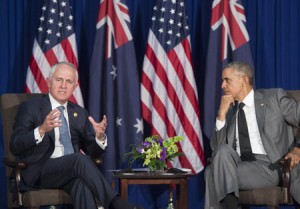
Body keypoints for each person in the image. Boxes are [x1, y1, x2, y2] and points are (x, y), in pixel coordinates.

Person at [10, 62, 143, 209]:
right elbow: (15, 145)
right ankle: (115, 203)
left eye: (69, 81)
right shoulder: (31, 107)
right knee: (79, 159)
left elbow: (92, 151)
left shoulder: (79, 112)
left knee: (82, 186)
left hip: (70, 172)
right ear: (48, 82)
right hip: (40, 171)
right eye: (59, 79)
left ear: (74, 87)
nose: (63, 85)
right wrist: (41, 130)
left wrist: (99, 137)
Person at [204, 61, 300, 209]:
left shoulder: (274, 97)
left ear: (243, 81)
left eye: (227, 80)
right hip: (236, 164)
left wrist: (298, 148)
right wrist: (221, 115)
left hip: (270, 166)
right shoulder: (229, 111)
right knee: (221, 155)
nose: (222, 85)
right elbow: (217, 152)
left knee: (212, 173)